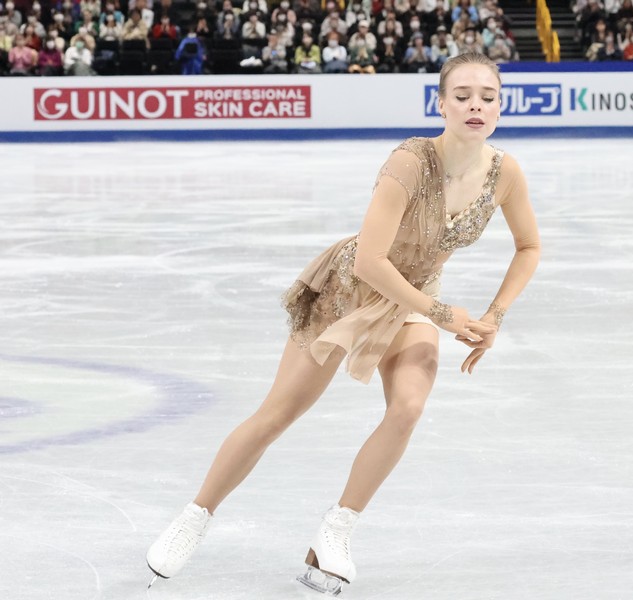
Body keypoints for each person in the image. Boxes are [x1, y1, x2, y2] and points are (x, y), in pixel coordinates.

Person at [145, 51, 540, 598]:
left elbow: (529, 246)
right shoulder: (409, 162)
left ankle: (335, 531)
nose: (476, 106)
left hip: (415, 296)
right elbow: (370, 262)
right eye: (463, 96)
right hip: (349, 290)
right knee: (279, 413)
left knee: (408, 407)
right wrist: (442, 314)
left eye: (488, 97)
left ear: (500, 106)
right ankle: (194, 517)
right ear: (441, 104)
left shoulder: (504, 173)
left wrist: (494, 315)